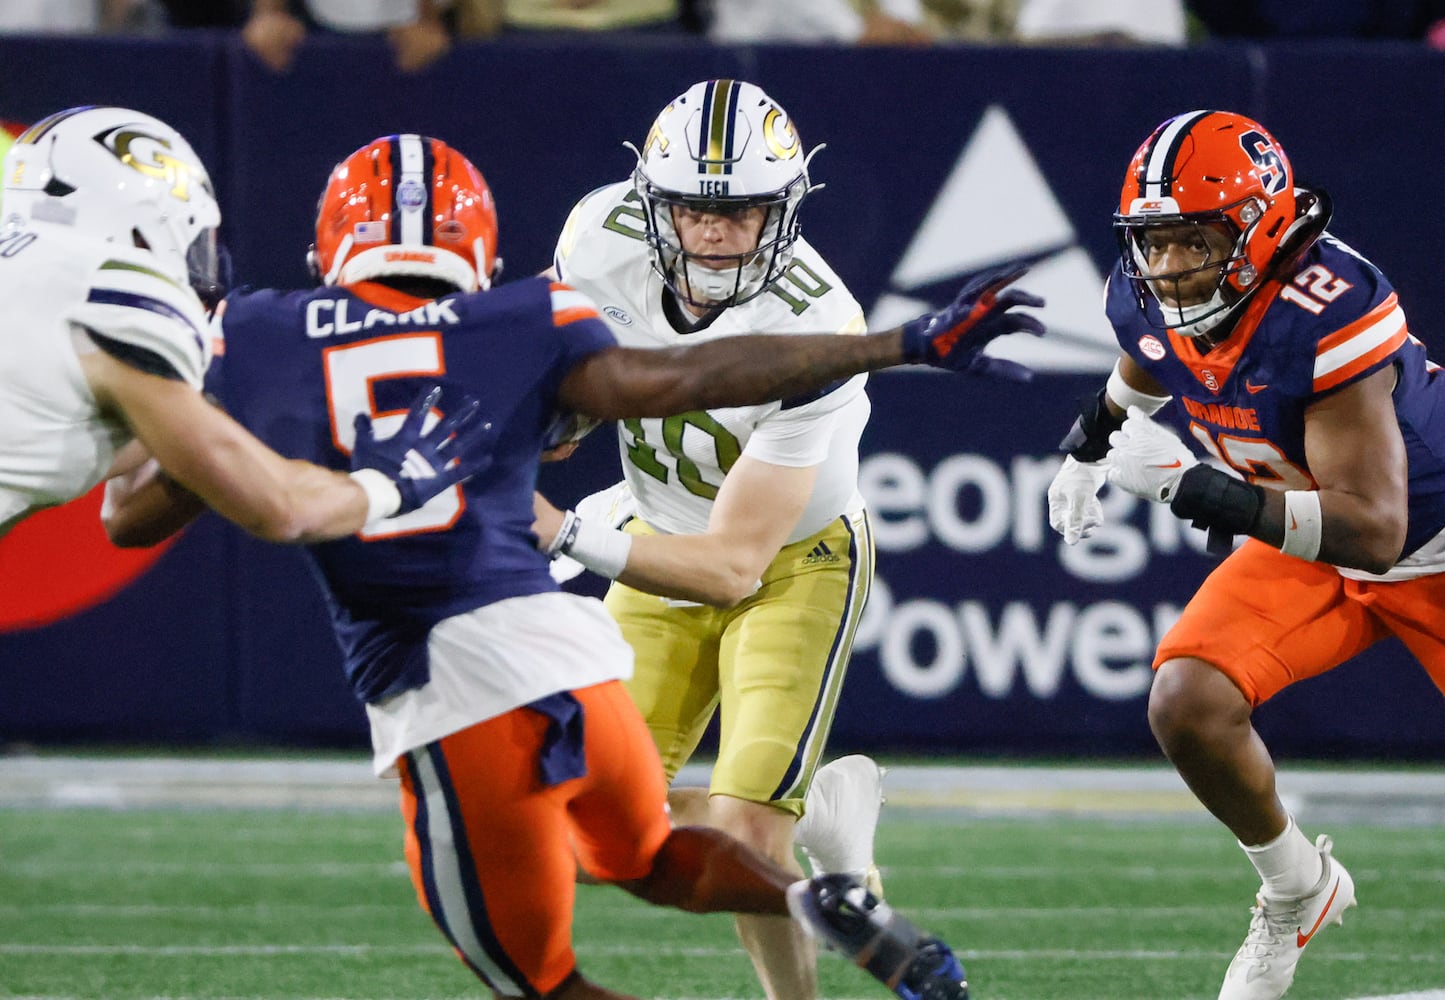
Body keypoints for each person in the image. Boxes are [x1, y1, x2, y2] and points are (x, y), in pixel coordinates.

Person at [105, 131, 1043, 1000]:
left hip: (454, 691)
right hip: (563, 649)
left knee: (548, 981)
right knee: (648, 855)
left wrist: (161, 395)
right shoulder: (525, 317)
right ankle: (815, 897)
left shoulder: (259, 337)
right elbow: (682, 378)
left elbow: (129, 516)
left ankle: (804, 882)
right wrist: (902, 343)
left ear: (325, 253)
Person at [535, 78, 1024, 1000]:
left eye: (743, 211)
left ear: (786, 209)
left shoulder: (816, 324)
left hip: (788, 567)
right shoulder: (596, 242)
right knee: (583, 824)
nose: (715, 233)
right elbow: (569, 378)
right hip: (653, 538)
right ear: (651, 203)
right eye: (692, 209)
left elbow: (728, 568)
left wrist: (565, 528)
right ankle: (832, 859)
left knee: (743, 836)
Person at [1046, 109, 1445, 1000]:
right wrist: (1090, 440)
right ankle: (1296, 888)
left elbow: (1375, 529)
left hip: (1423, 539)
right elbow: (1150, 352)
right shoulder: (1156, 290)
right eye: (1152, 243)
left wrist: (1194, 489)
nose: (1168, 266)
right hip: (1313, 536)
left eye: (1192, 240)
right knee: (1188, 700)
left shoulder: (1325, 307)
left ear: (1260, 227)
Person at [0, 105, 486, 547]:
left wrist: (246, 396)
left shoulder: (36, 281)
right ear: (145, 218)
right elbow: (282, 509)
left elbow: (104, 439)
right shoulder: (114, 294)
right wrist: (388, 484)